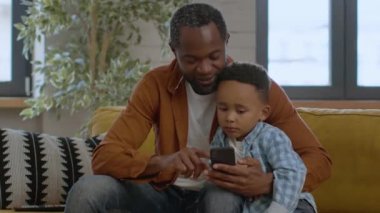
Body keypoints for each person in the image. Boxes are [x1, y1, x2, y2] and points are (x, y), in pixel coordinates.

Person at [65, 3, 331, 213]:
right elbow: (105, 157)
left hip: (224, 195)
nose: (205, 69)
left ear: (226, 41)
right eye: (191, 59)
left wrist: (267, 182)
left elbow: (318, 159)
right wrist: (164, 161)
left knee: (220, 200)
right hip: (167, 192)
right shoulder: (155, 84)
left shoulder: (256, 88)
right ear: (174, 50)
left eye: (214, 57)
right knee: (88, 190)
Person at [209, 62, 316, 213]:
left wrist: (278, 209)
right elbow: (213, 164)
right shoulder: (221, 136)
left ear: (263, 113)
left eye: (240, 111)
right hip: (253, 206)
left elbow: (293, 173)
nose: (230, 118)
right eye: (223, 108)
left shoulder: (272, 137)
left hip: (290, 203)